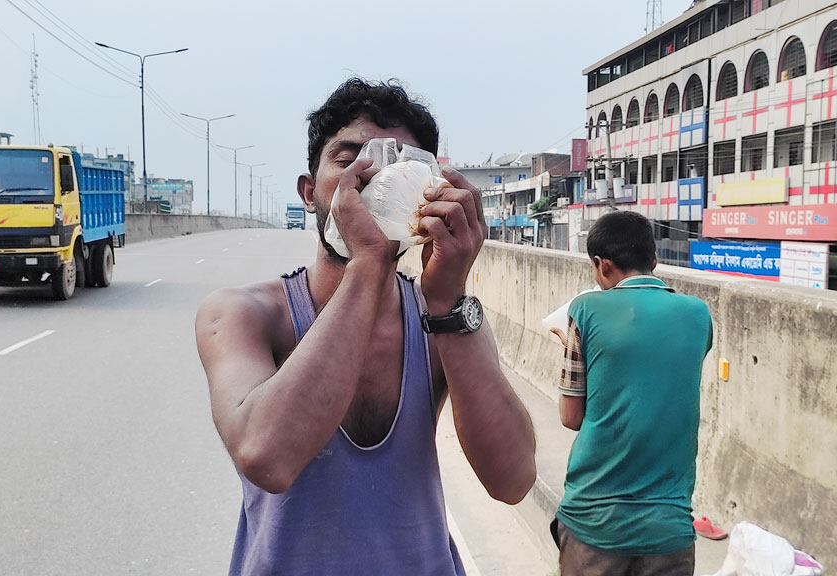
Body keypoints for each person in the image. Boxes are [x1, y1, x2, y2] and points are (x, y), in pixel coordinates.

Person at [195, 78, 537, 575]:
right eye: (348, 158)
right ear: (310, 192)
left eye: (399, 166)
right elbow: (266, 457)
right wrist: (370, 262)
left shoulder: (444, 318)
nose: (372, 179)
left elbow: (513, 480)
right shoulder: (242, 314)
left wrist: (445, 299)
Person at [553, 210, 713, 576]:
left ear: (602, 264)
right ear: (653, 259)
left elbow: (570, 416)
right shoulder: (699, 314)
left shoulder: (586, 308)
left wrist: (575, 347)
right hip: (670, 527)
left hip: (596, 520)